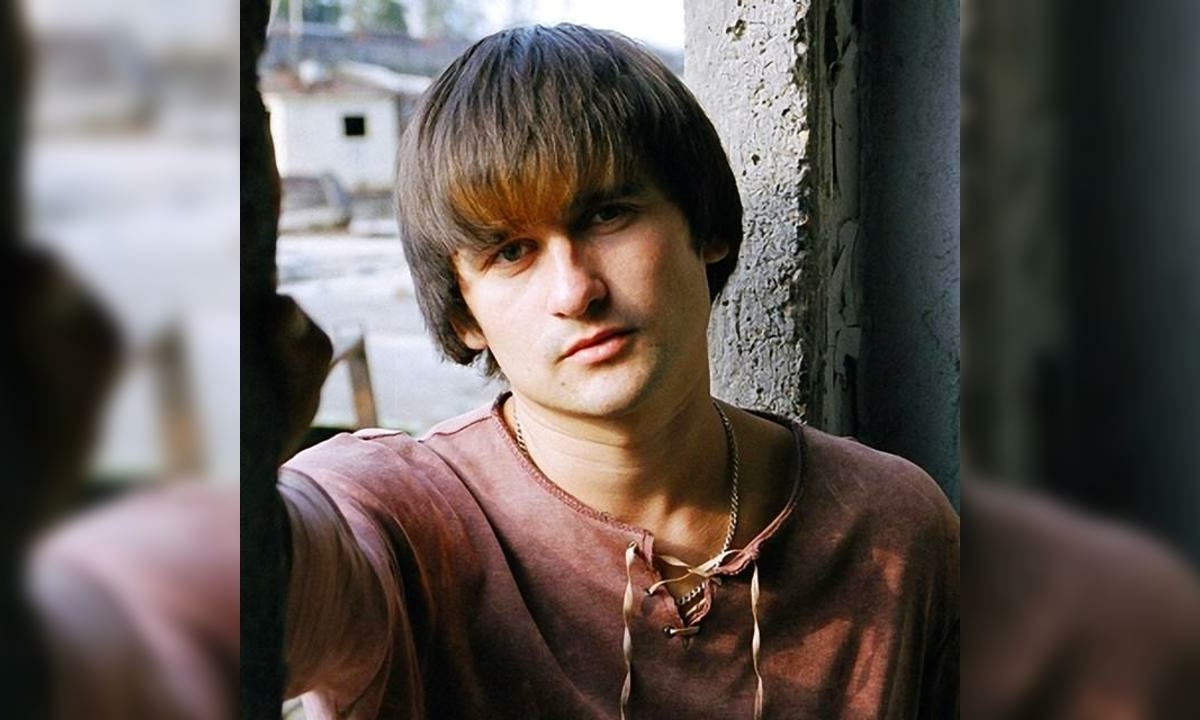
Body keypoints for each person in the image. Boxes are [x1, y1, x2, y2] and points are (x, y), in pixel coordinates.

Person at [279, 24, 959, 719]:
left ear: (705, 224)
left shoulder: (889, 527)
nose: (576, 291)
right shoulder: (401, 521)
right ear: (464, 315)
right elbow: (256, 598)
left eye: (607, 214)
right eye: (511, 252)